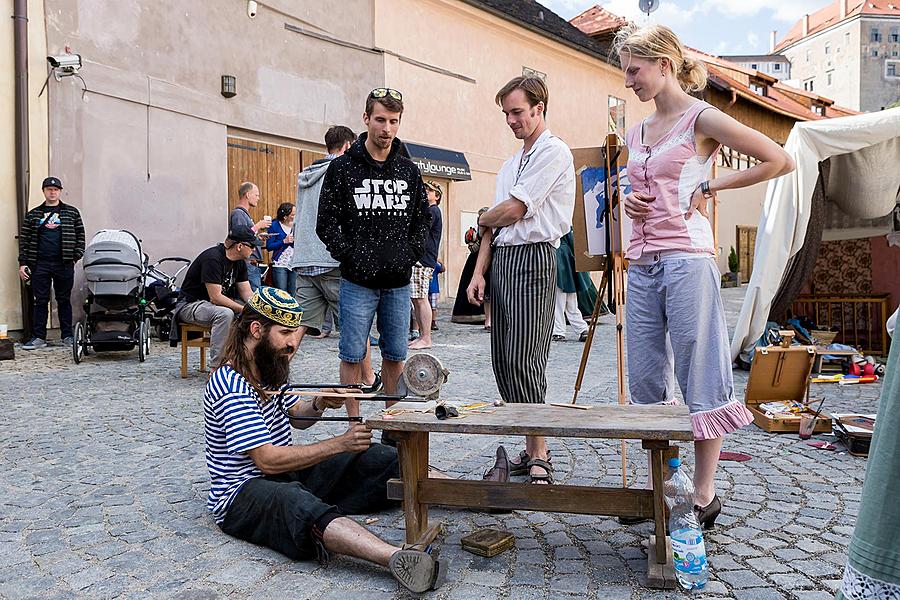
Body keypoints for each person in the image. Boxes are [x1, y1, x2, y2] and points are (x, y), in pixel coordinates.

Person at [613, 24, 794, 526]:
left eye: (635, 70)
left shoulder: (701, 118)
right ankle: (664, 487)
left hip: (690, 259)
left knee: (700, 370)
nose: (629, 80)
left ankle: (703, 493)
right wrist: (627, 200)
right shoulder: (636, 132)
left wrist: (712, 186)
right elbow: (634, 189)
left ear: (664, 65)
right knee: (646, 378)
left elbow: (779, 159)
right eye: (625, 70)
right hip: (643, 263)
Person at [203, 287, 446, 593]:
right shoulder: (231, 384)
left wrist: (318, 403)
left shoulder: (270, 369)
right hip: (242, 493)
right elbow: (266, 459)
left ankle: (469, 494)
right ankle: (398, 558)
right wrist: (340, 444)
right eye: (286, 333)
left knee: (380, 458)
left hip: (284, 473)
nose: (294, 343)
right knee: (296, 502)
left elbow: (297, 417)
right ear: (256, 330)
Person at [467, 76, 575, 485]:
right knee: (504, 359)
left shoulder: (554, 150)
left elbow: (511, 211)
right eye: (506, 114)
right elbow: (493, 227)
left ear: (538, 107)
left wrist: (483, 215)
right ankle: (530, 447)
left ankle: (540, 451)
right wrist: (479, 273)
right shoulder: (512, 163)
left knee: (527, 356)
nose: (511, 120)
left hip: (534, 257)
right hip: (503, 260)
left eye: (517, 112)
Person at [317, 88, 432, 426]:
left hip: (397, 282)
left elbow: (422, 218)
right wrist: (350, 256)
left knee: (396, 354)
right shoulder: (342, 169)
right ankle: (353, 425)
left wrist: (408, 254)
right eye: (380, 119)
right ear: (366, 119)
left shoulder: (408, 171)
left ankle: (391, 422)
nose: (386, 128)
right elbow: (326, 222)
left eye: (393, 121)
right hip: (357, 282)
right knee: (351, 354)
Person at [17, 177, 86, 350]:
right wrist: (23, 263)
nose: (52, 192)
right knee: (40, 301)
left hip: (64, 264)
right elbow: (24, 240)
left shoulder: (71, 212)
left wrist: (75, 256)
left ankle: (67, 336)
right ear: (44, 191)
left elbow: (81, 236)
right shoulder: (33, 214)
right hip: (39, 264)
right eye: (49, 189)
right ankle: (39, 337)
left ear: (60, 191)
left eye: (55, 190)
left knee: (63, 300)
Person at [175, 227, 256, 366]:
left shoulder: (240, 262)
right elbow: (216, 297)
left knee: (254, 315)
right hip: (191, 304)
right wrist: (244, 310)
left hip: (214, 305)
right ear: (240, 246)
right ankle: (217, 368)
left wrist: (260, 308)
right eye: (252, 246)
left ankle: (245, 364)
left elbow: (246, 293)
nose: (254, 250)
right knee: (225, 314)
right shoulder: (212, 258)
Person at [409, 180, 443, 350]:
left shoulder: (433, 211)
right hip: (422, 260)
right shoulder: (430, 210)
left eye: (430, 190)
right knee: (416, 299)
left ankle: (426, 338)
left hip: (423, 260)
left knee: (421, 299)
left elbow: (419, 230)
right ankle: (422, 336)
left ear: (437, 196)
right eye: (424, 189)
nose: (425, 192)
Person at [451, 208, 489, 326]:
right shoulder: (477, 230)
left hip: (483, 258)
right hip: (475, 259)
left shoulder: (487, 228)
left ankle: (486, 316)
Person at [230, 182, 270, 291]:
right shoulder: (238, 213)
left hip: (251, 264)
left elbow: (247, 235)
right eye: (256, 195)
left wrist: (258, 238)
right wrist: (257, 226)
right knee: (251, 300)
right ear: (247, 195)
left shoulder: (244, 214)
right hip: (247, 264)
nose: (258, 198)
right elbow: (239, 234)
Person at [552, 229, 590, 342]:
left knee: (559, 301)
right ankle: (582, 328)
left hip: (558, 258)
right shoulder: (566, 222)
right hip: (567, 259)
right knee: (571, 301)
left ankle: (559, 331)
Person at [266, 202, 296, 296]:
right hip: (280, 264)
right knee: (281, 293)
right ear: (285, 217)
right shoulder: (274, 225)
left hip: (294, 264)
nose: (295, 216)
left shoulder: (297, 225)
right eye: (293, 215)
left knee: (293, 293)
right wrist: (283, 241)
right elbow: (269, 246)